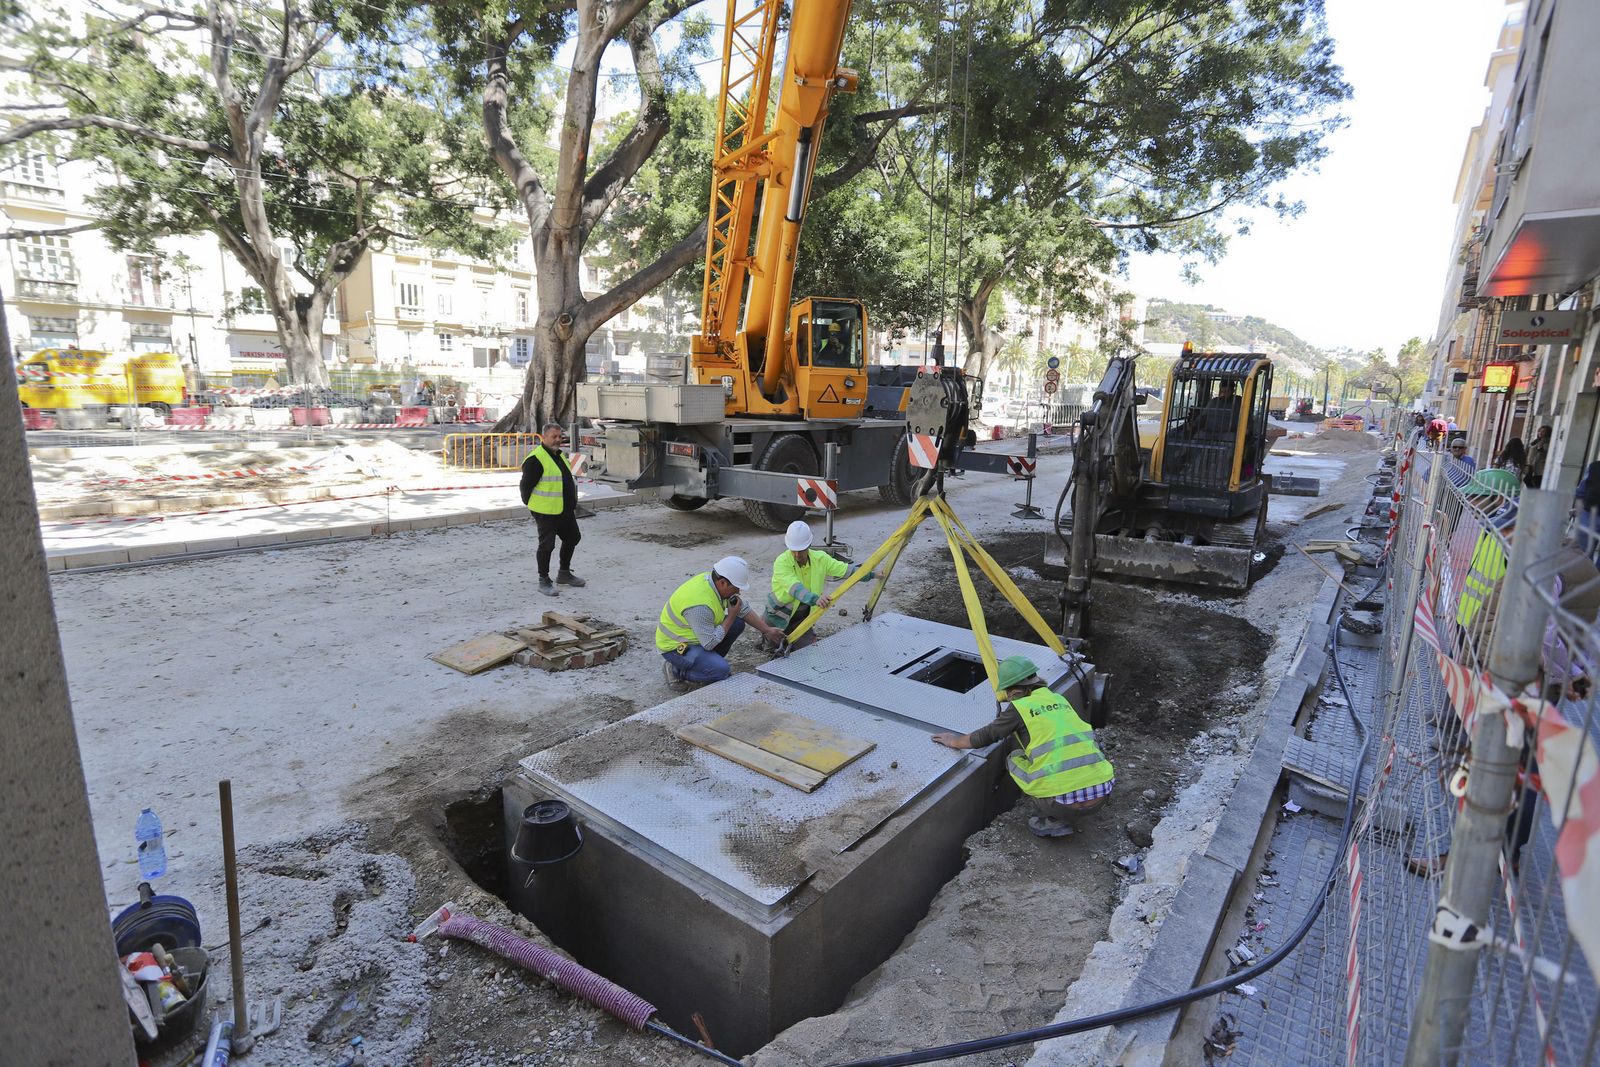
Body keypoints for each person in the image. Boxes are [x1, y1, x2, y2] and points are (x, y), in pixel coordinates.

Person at [931, 655, 1114, 839]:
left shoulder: (1020, 707)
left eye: (1008, 692)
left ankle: (1052, 819)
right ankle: (1068, 806)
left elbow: (987, 735)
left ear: (1014, 690)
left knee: (1015, 758)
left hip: (1063, 803)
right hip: (1101, 795)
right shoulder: (1058, 699)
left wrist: (954, 741)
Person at [657, 555, 788, 688]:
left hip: (698, 636)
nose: (739, 591)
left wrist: (767, 630)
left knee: (737, 623)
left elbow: (742, 608)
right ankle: (676, 670)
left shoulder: (714, 582)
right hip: (676, 646)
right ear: (723, 583)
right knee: (721, 672)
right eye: (736, 587)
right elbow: (709, 643)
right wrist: (730, 616)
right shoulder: (700, 605)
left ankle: (706, 662)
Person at [764, 521, 872, 650]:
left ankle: (791, 639)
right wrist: (815, 599)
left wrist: (872, 575)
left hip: (801, 620)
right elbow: (795, 588)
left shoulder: (820, 559)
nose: (797, 555)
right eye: (794, 550)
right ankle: (767, 641)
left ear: (809, 545)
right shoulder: (782, 562)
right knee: (775, 648)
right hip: (778, 617)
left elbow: (845, 570)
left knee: (807, 651)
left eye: (801, 550)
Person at [520, 423, 585, 595]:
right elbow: (525, 487)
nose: (557, 439)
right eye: (553, 436)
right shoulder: (536, 459)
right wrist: (532, 505)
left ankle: (564, 573)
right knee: (547, 546)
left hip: (564, 510)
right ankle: (544, 580)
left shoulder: (559, 455)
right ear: (544, 437)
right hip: (546, 512)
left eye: (559, 436)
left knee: (573, 538)